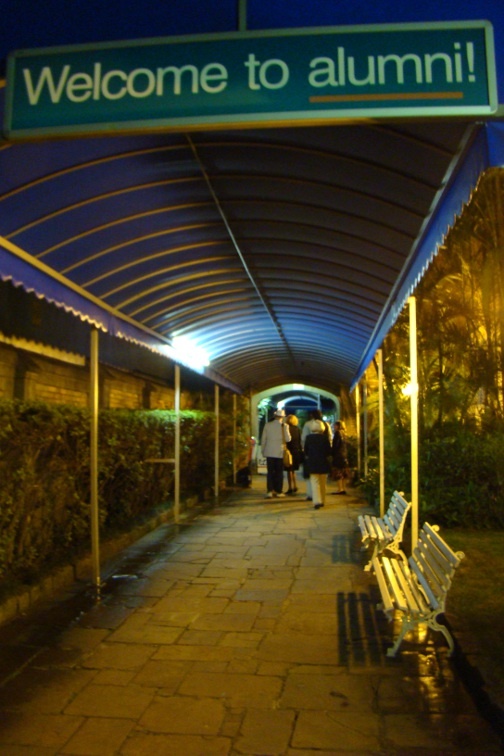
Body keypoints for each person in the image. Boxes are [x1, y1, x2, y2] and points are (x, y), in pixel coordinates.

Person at [301, 410, 333, 501]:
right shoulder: (326, 427)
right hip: (323, 460)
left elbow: (304, 442)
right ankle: (322, 498)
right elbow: (330, 442)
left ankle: (314, 498)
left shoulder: (308, 428)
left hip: (312, 459)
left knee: (313, 480)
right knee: (323, 482)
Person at [260, 408, 291, 499]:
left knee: (270, 472)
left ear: (275, 416)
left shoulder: (267, 425)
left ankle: (270, 491)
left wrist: (263, 450)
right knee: (279, 472)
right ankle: (278, 491)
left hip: (269, 452)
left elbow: (263, 439)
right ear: (282, 417)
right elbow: (288, 439)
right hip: (279, 452)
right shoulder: (284, 426)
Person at [285, 414, 302, 494]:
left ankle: (290, 487)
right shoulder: (297, 429)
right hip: (296, 451)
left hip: (289, 451)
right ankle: (295, 485)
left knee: (289, 470)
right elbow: (299, 441)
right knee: (293, 470)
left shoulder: (286, 428)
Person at [331, 420, 350, 495]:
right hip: (344, 454)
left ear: (338, 426)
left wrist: (332, 452)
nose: (334, 427)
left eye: (335, 425)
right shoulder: (344, 433)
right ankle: (343, 488)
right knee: (344, 472)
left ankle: (340, 489)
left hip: (338, 455)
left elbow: (336, 445)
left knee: (338, 472)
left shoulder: (337, 433)